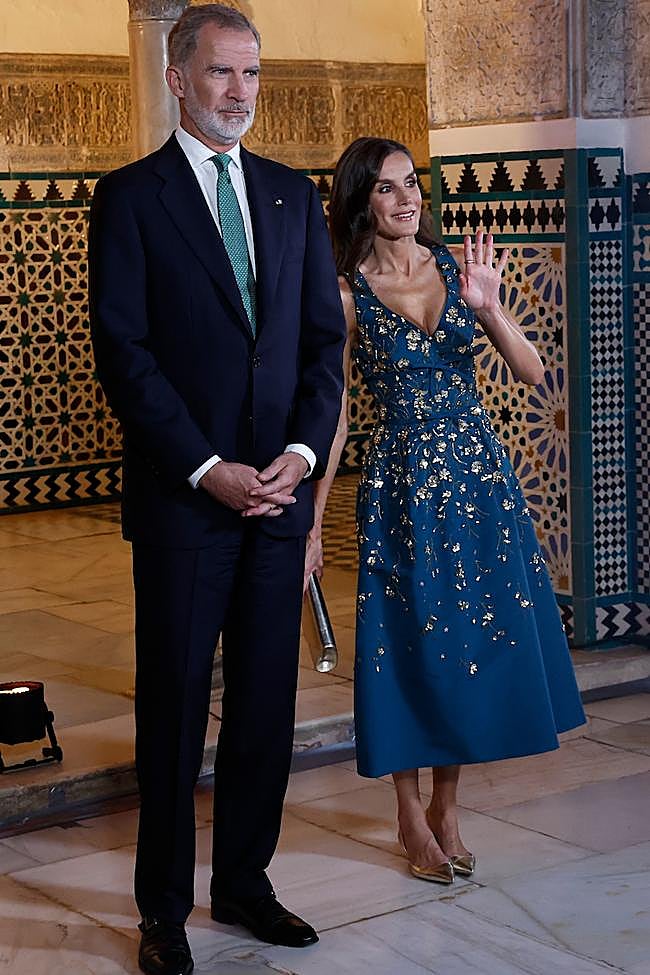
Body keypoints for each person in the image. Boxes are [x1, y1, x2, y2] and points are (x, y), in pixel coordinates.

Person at [89, 6, 346, 974]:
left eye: (252, 73)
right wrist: (206, 467)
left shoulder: (290, 194)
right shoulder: (130, 197)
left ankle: (244, 883)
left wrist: (301, 455)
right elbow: (124, 353)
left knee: (265, 708)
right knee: (172, 708)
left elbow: (322, 346)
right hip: (184, 502)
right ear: (177, 77)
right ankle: (163, 912)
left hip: (277, 502)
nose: (240, 92)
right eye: (221, 72)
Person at [307, 136, 585, 886]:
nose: (408, 199)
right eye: (388, 188)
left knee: (462, 642)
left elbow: (532, 372)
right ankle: (407, 810)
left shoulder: (459, 269)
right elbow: (335, 417)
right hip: (400, 485)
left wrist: (489, 308)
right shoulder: (346, 294)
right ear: (361, 200)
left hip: (479, 482)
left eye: (412, 183)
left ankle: (447, 809)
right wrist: (313, 520)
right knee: (404, 643)